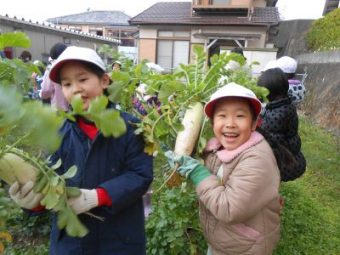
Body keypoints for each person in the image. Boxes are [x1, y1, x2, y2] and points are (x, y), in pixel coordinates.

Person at [9, 46, 153, 255]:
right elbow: (51, 182)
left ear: (104, 81)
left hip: (120, 241)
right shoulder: (58, 132)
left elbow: (140, 175)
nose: (75, 88)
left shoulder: (132, 128)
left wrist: (99, 196)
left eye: (82, 79)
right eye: (67, 84)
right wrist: (34, 203)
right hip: (71, 244)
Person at [166, 82, 281, 255]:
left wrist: (197, 173)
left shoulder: (258, 160)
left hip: (246, 247)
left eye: (240, 116)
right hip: (226, 241)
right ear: (212, 123)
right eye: (222, 116)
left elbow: (229, 208)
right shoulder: (218, 148)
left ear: (254, 123)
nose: (230, 124)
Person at [257, 68, 306, 181]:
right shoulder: (286, 104)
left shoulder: (276, 115)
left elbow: (269, 139)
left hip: (283, 161)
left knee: (272, 182)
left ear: (268, 92)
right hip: (290, 152)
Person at [40, 43, 69, 111]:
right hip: (73, 109)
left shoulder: (51, 69)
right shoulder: (71, 68)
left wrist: (42, 96)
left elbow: (46, 90)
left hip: (57, 109)